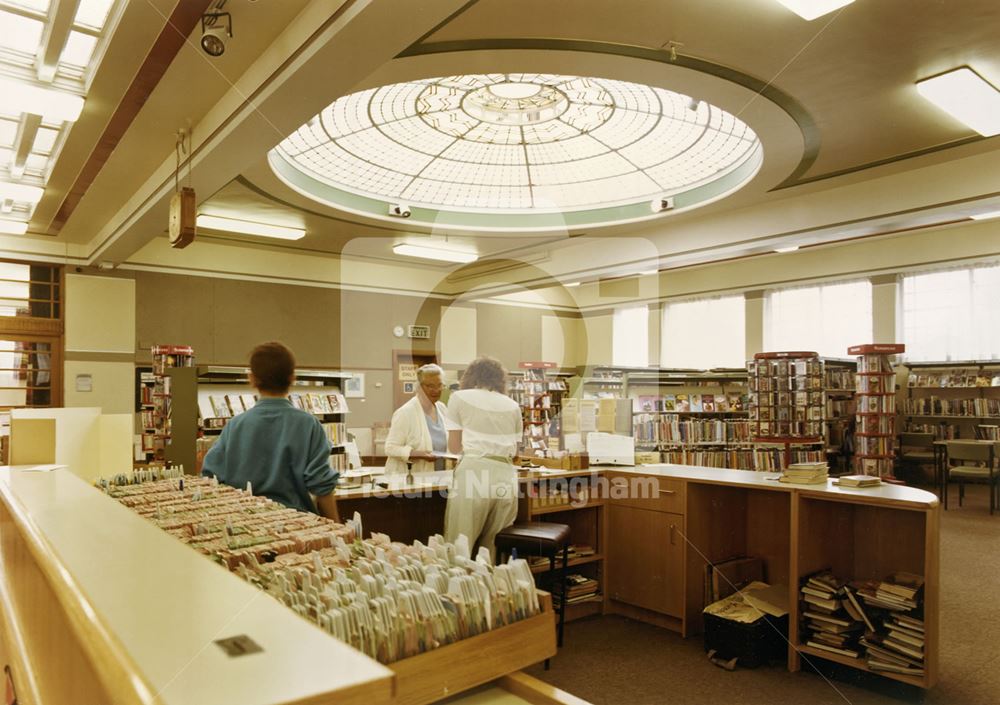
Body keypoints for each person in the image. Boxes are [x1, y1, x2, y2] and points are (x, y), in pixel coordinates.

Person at [201, 341, 339, 520]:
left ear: (252, 379)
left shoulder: (235, 425)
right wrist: (337, 527)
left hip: (244, 522)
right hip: (297, 524)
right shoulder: (309, 425)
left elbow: (210, 477)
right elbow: (322, 486)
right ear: (292, 378)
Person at [445, 356, 522, 561]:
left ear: (470, 376)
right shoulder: (512, 405)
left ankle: (459, 591)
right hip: (506, 475)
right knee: (495, 546)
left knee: (460, 542)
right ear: (500, 379)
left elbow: (454, 446)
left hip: (474, 471)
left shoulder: (459, 398)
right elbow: (516, 452)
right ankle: (495, 591)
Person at [385, 363, 451, 474]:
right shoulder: (405, 413)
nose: (436, 390)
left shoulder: (442, 408)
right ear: (419, 387)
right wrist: (419, 454)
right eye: (430, 386)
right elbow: (390, 448)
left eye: (440, 385)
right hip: (412, 478)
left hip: (440, 475)